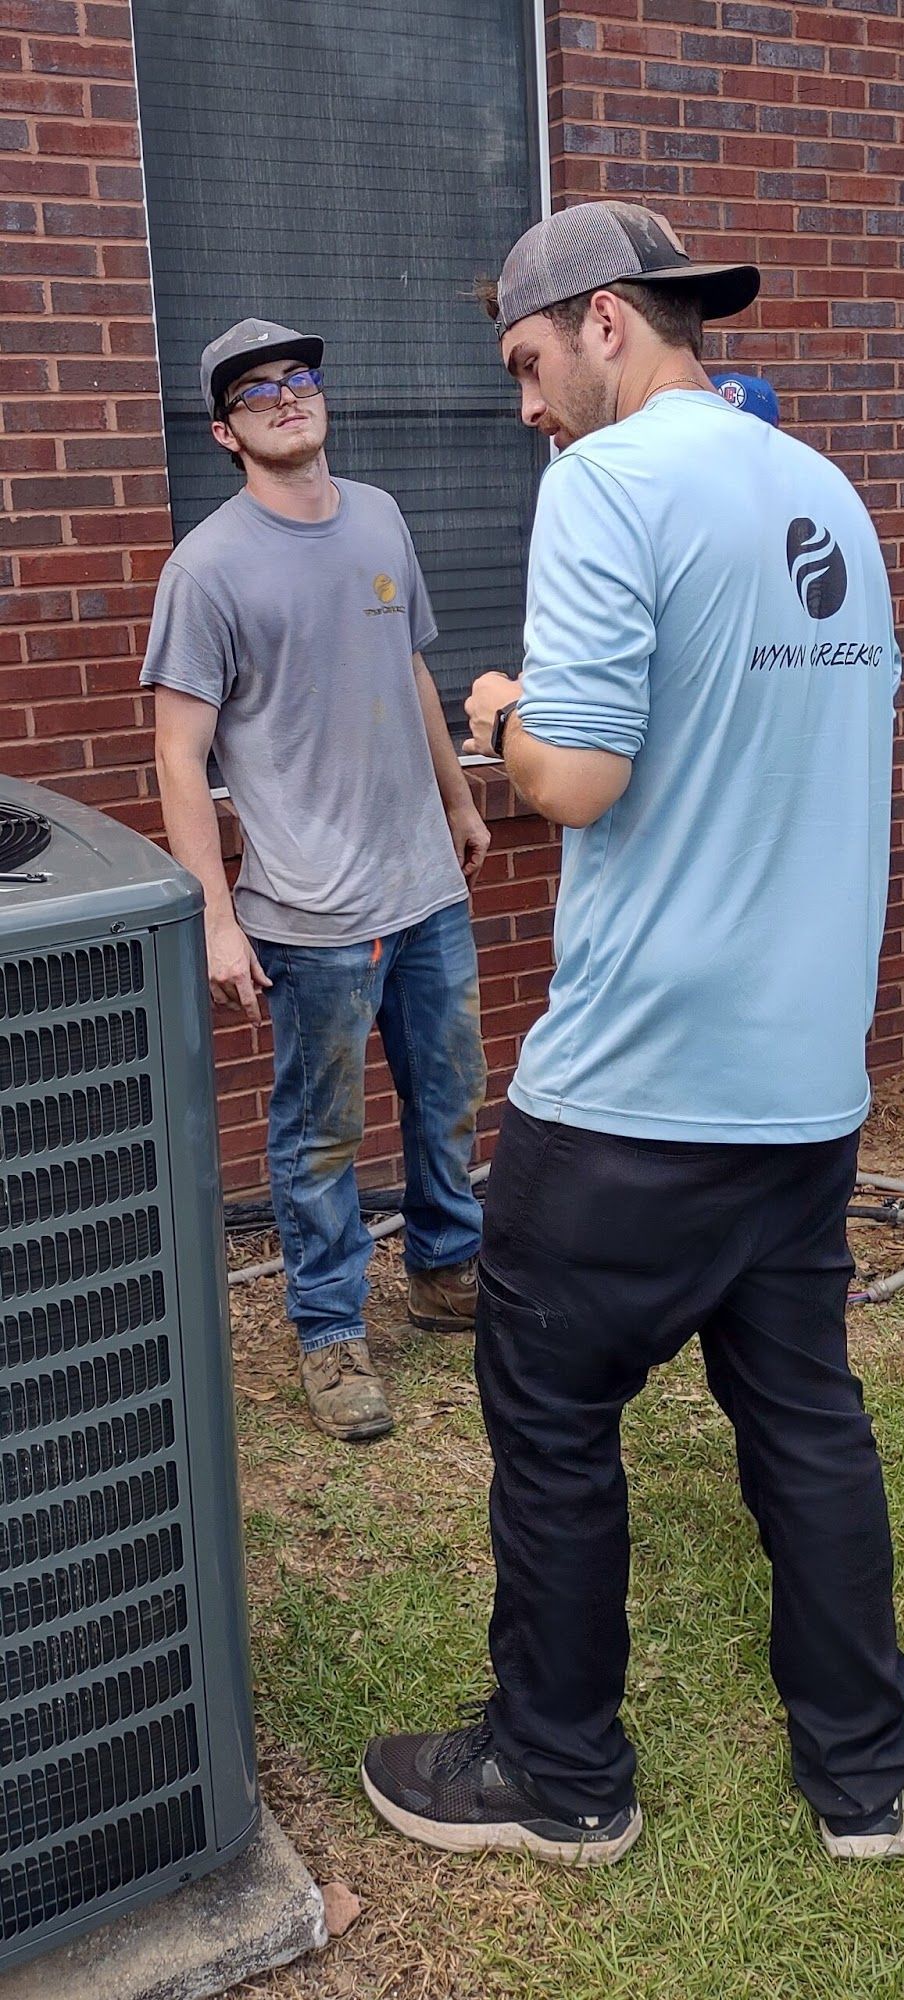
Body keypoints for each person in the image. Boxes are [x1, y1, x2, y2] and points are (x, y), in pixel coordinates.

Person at [361, 204, 904, 1862]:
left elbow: (579, 781)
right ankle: (858, 1783)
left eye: (524, 365)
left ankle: (556, 1776)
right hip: (800, 1085)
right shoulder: (821, 491)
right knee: (804, 1424)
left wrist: (505, 716)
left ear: (604, 322)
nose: (521, 408)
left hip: (631, 1098)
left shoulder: (603, 486)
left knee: (544, 1422)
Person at [141, 316, 489, 1443]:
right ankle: (331, 1330)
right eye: (257, 392)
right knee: (319, 1134)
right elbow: (179, 758)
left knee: (448, 1101)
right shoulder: (207, 568)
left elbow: (414, 661)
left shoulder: (380, 514)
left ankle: (445, 1273)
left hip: (424, 886)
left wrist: (458, 797)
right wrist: (212, 917)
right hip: (312, 910)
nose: (288, 398)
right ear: (224, 432)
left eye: (300, 378)